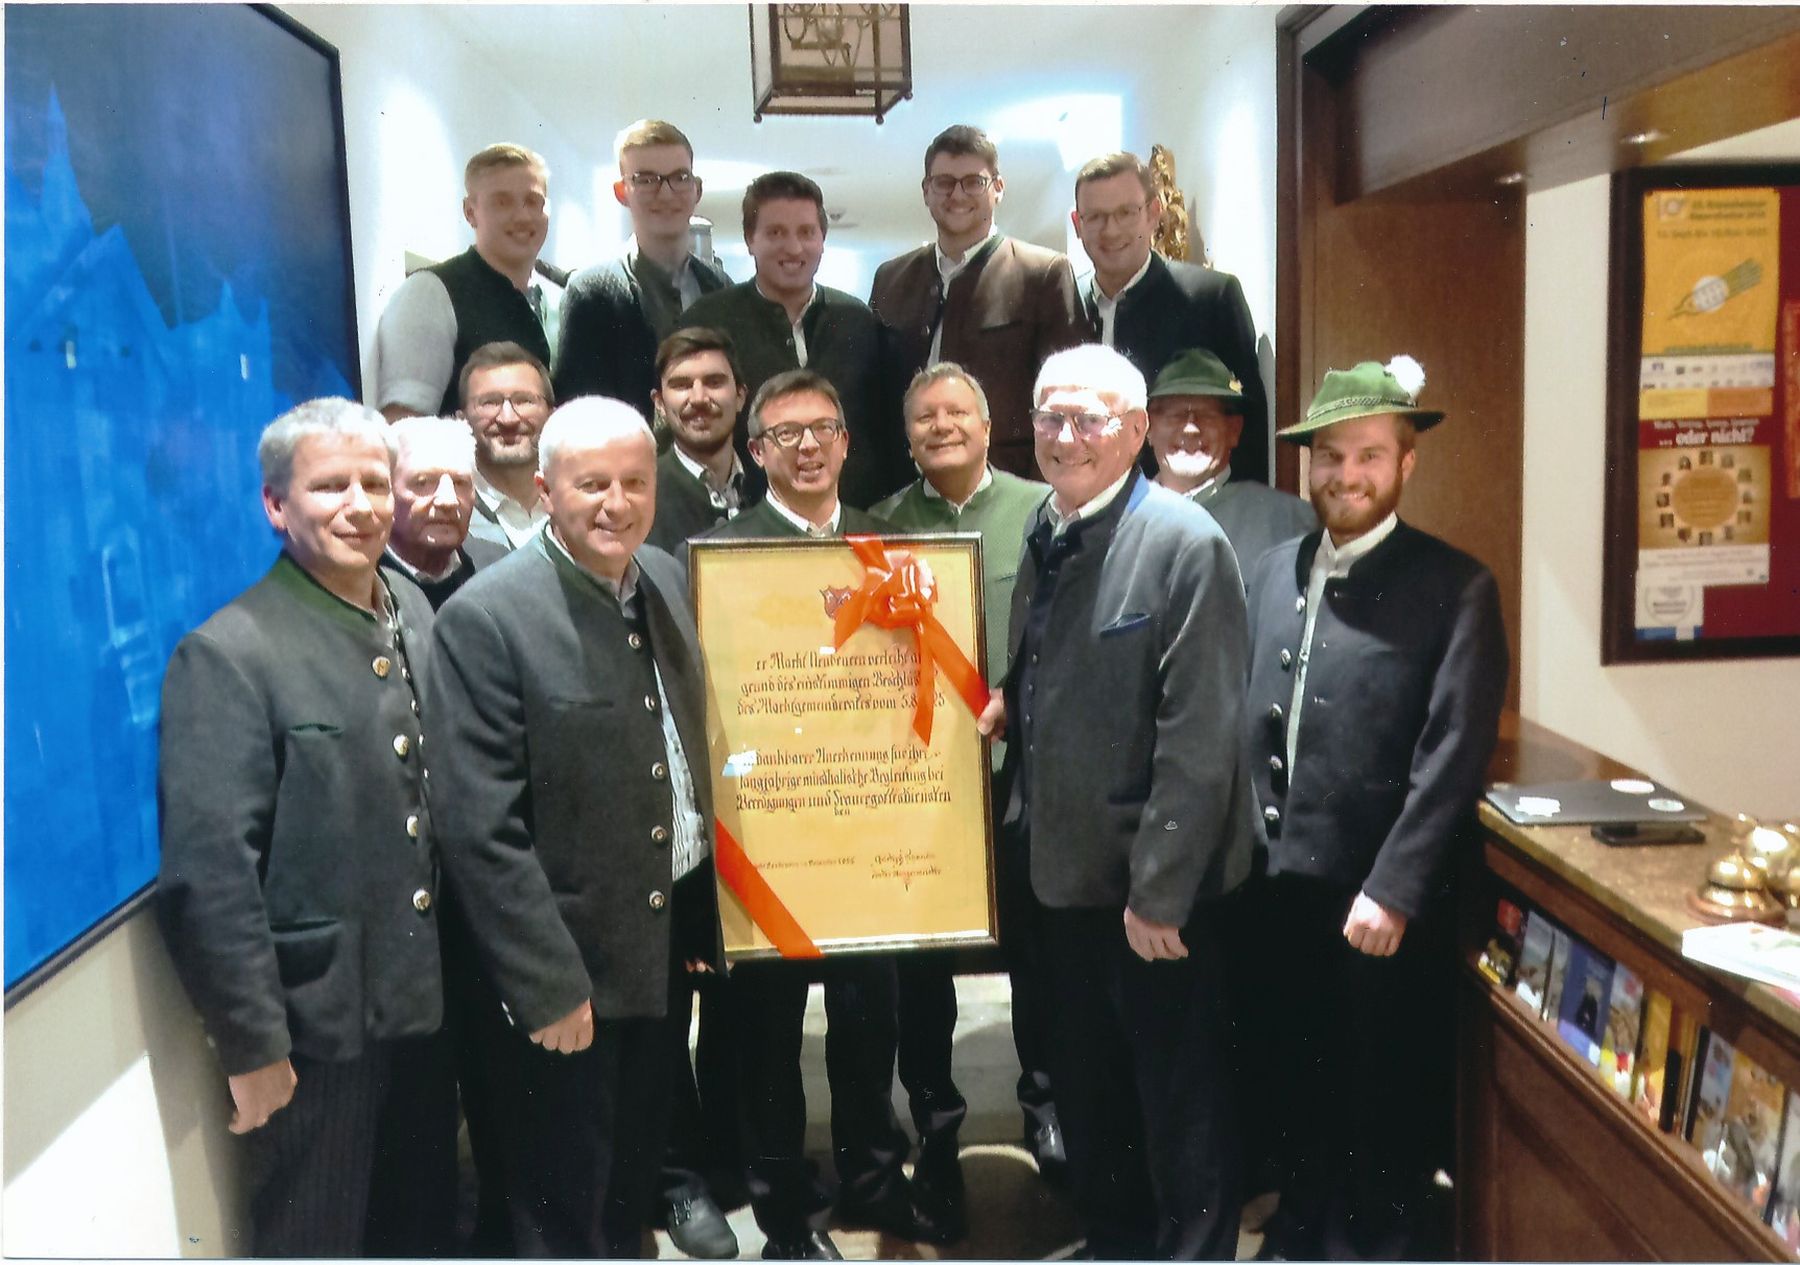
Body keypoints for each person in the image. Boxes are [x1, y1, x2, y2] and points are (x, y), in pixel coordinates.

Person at [423, 398, 724, 1258]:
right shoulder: (485, 619)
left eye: (634, 482)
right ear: (545, 489)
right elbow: (480, 828)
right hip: (563, 973)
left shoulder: (661, 575)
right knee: (559, 1210)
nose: (616, 503)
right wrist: (546, 985)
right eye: (592, 484)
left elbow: (678, 756)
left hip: (656, 954)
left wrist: (695, 918)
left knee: (628, 1185)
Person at [156, 398, 453, 1257]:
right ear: (276, 505)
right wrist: (251, 1046)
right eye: (330, 487)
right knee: (314, 1236)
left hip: (422, 1003)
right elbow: (211, 873)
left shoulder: (408, 606)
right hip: (318, 1027)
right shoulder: (230, 652)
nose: (360, 506)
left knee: (419, 1229)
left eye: (375, 483)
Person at [986, 343, 1262, 1259]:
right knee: (1093, 1096)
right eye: (1050, 417)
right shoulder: (1048, 526)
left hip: (1152, 898)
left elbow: (1200, 735)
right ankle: (1116, 1244)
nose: (1065, 436)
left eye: (1089, 418)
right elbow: (1055, 662)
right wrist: (1009, 700)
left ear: (1137, 430)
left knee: (1180, 1108)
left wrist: (1161, 893)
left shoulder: (1186, 543)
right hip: (1062, 882)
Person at [1241, 357, 1507, 1261]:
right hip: (1278, 890)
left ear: (1405, 463)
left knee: (1379, 1098)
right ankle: (1299, 1231)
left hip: (1375, 898)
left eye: (1367, 456)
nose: (1345, 474)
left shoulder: (1456, 586)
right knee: (1296, 1079)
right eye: (1329, 455)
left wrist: (1393, 888)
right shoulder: (1270, 572)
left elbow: (1453, 752)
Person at [696, 370, 948, 1259]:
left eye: (823, 430)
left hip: (867, 832)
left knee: (869, 1028)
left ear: (846, 442)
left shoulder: (892, 553)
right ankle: (785, 1219)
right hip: (770, 838)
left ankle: (876, 1182)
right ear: (756, 450)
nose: (806, 446)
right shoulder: (717, 556)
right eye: (785, 433)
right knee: (767, 1040)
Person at [870, 363, 1060, 1217]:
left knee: (1039, 952)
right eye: (924, 417)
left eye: (956, 412)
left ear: (988, 427)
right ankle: (937, 1129)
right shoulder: (877, 527)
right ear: (906, 435)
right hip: (919, 787)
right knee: (922, 969)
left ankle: (1046, 1107)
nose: (941, 426)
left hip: (1020, 775)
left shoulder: (1042, 510)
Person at [676, 171, 904, 510]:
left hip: (852, 522)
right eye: (776, 233)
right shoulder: (708, 322)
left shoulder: (858, 321)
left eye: (806, 232)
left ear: (823, 239)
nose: (794, 248)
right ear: (750, 239)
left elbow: (886, 434)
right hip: (744, 522)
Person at [869, 125, 1086, 478]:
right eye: (944, 182)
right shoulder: (891, 279)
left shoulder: (1043, 274)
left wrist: (1041, 492)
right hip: (904, 487)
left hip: (1008, 483)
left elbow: (1065, 399)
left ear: (998, 188)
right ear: (926, 191)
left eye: (973, 182)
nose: (957, 194)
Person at [1070, 152, 1269, 483]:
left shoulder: (1210, 297)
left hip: (1186, 501)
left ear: (1153, 213)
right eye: (1096, 217)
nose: (1111, 230)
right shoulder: (1063, 300)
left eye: (1125, 213)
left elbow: (1247, 422)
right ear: (1078, 224)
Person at [555, 120, 733, 420]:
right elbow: (580, 415)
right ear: (622, 192)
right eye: (647, 180)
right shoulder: (590, 292)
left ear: (697, 189)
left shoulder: (720, 286)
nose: (666, 194)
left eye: (680, 177)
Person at [374, 144, 559, 421]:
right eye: (502, 202)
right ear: (470, 212)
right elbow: (404, 422)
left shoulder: (561, 299)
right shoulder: (431, 292)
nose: (522, 216)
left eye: (533, 201)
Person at [1146, 348, 1313, 575]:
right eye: (1175, 415)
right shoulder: (1118, 517)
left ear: (1234, 430)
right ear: (1148, 428)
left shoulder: (1290, 520)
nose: (1190, 428)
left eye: (1207, 415)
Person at [645, 327, 759, 555]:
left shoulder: (773, 487)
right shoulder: (643, 496)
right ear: (660, 404)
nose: (698, 399)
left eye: (714, 382)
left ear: (740, 396)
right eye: (682, 385)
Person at [381, 415, 508, 610]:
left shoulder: (498, 567)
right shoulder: (361, 578)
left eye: (460, 483)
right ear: (385, 490)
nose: (448, 501)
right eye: (423, 482)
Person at [456, 341, 556, 550]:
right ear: (462, 419)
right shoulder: (451, 510)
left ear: (552, 415)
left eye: (524, 401)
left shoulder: (579, 502)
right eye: (489, 402)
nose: (508, 419)